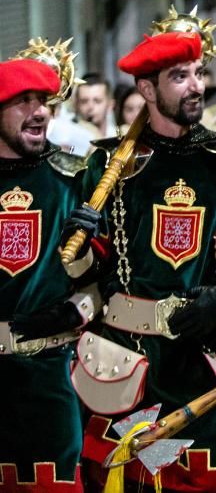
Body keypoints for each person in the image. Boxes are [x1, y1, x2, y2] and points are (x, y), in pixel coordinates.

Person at [77, 29, 216, 491]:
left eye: (198, 73)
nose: (197, 85)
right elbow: (85, 278)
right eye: (180, 77)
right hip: (128, 365)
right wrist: (76, 245)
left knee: (201, 481)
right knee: (141, 478)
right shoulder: (106, 167)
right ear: (146, 89)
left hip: (202, 361)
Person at [0, 53, 102, 492]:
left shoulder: (73, 181)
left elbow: (108, 282)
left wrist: (75, 311)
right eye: (23, 101)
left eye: (43, 100)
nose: (39, 111)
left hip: (51, 376)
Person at [75, 72, 116, 137]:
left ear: (110, 105)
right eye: (84, 101)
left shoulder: (120, 139)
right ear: (76, 105)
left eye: (97, 101)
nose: (90, 107)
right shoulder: (67, 140)